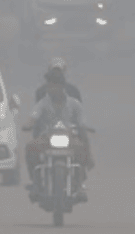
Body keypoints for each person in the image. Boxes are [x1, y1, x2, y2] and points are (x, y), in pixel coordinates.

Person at [21, 67, 93, 200]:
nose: (50, 89)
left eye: (53, 85)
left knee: (82, 148)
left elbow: (81, 123)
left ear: (61, 86)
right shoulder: (43, 103)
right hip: (47, 138)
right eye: (48, 86)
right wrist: (28, 124)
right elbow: (33, 116)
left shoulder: (74, 104)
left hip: (69, 139)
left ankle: (79, 184)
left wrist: (86, 129)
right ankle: (36, 183)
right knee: (30, 147)